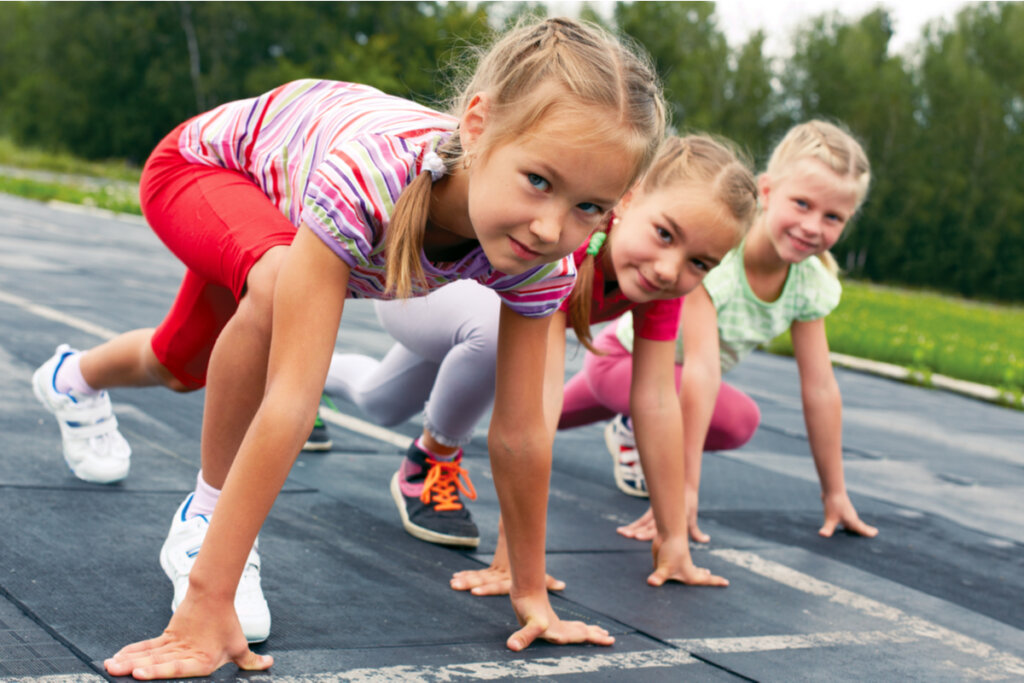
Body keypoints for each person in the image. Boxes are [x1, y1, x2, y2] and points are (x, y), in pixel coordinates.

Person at [33, 17, 668, 679]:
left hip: (275, 218)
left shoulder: (542, 260)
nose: (550, 226)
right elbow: (291, 400)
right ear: (478, 127)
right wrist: (208, 597)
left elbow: (520, 432)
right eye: (538, 180)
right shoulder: (375, 177)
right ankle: (205, 525)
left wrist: (528, 588)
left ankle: (72, 377)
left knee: (178, 362)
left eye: (590, 207)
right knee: (274, 287)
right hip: (204, 171)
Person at [326, 135, 758, 592]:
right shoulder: (565, 246)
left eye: (700, 263)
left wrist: (674, 542)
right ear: (628, 201)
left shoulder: (660, 285)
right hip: (415, 290)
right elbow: (538, 406)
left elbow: (655, 402)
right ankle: (431, 458)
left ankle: (324, 379)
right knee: (500, 339)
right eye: (665, 234)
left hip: (464, 321)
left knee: (380, 401)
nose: (671, 269)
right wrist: (513, 560)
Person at [580, 120, 879, 545]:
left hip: (659, 378)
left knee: (541, 421)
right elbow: (701, 369)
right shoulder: (714, 257)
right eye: (802, 204)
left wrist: (835, 492)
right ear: (768, 192)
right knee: (725, 413)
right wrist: (682, 489)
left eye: (833, 217)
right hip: (626, 362)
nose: (813, 226)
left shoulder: (810, 284)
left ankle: (625, 423)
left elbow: (820, 388)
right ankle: (631, 425)